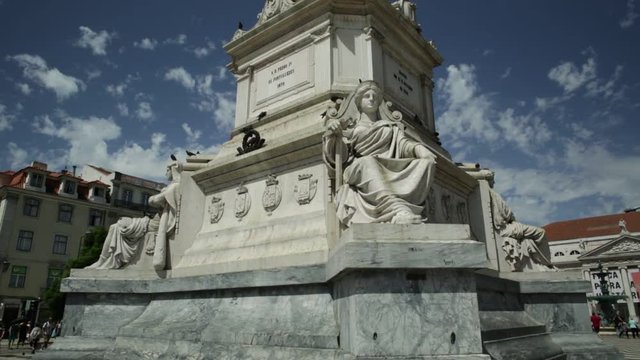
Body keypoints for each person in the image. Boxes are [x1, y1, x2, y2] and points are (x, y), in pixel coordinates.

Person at [322, 80, 437, 226]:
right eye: (367, 96)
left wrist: (419, 148)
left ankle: (399, 208)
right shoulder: (351, 127)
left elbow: (402, 145)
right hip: (360, 167)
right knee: (367, 162)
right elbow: (341, 156)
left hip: (389, 164)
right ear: (358, 102)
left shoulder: (390, 127)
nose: (371, 99)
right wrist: (335, 135)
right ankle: (397, 210)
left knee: (425, 162)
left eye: (375, 96)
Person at [86, 159, 182, 270]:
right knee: (115, 226)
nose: (166, 173)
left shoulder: (174, 187)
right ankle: (102, 261)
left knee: (116, 227)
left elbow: (153, 201)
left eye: (167, 170)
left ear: (173, 169)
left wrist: (161, 194)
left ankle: (103, 262)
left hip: (152, 224)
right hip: (150, 221)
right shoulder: (172, 187)